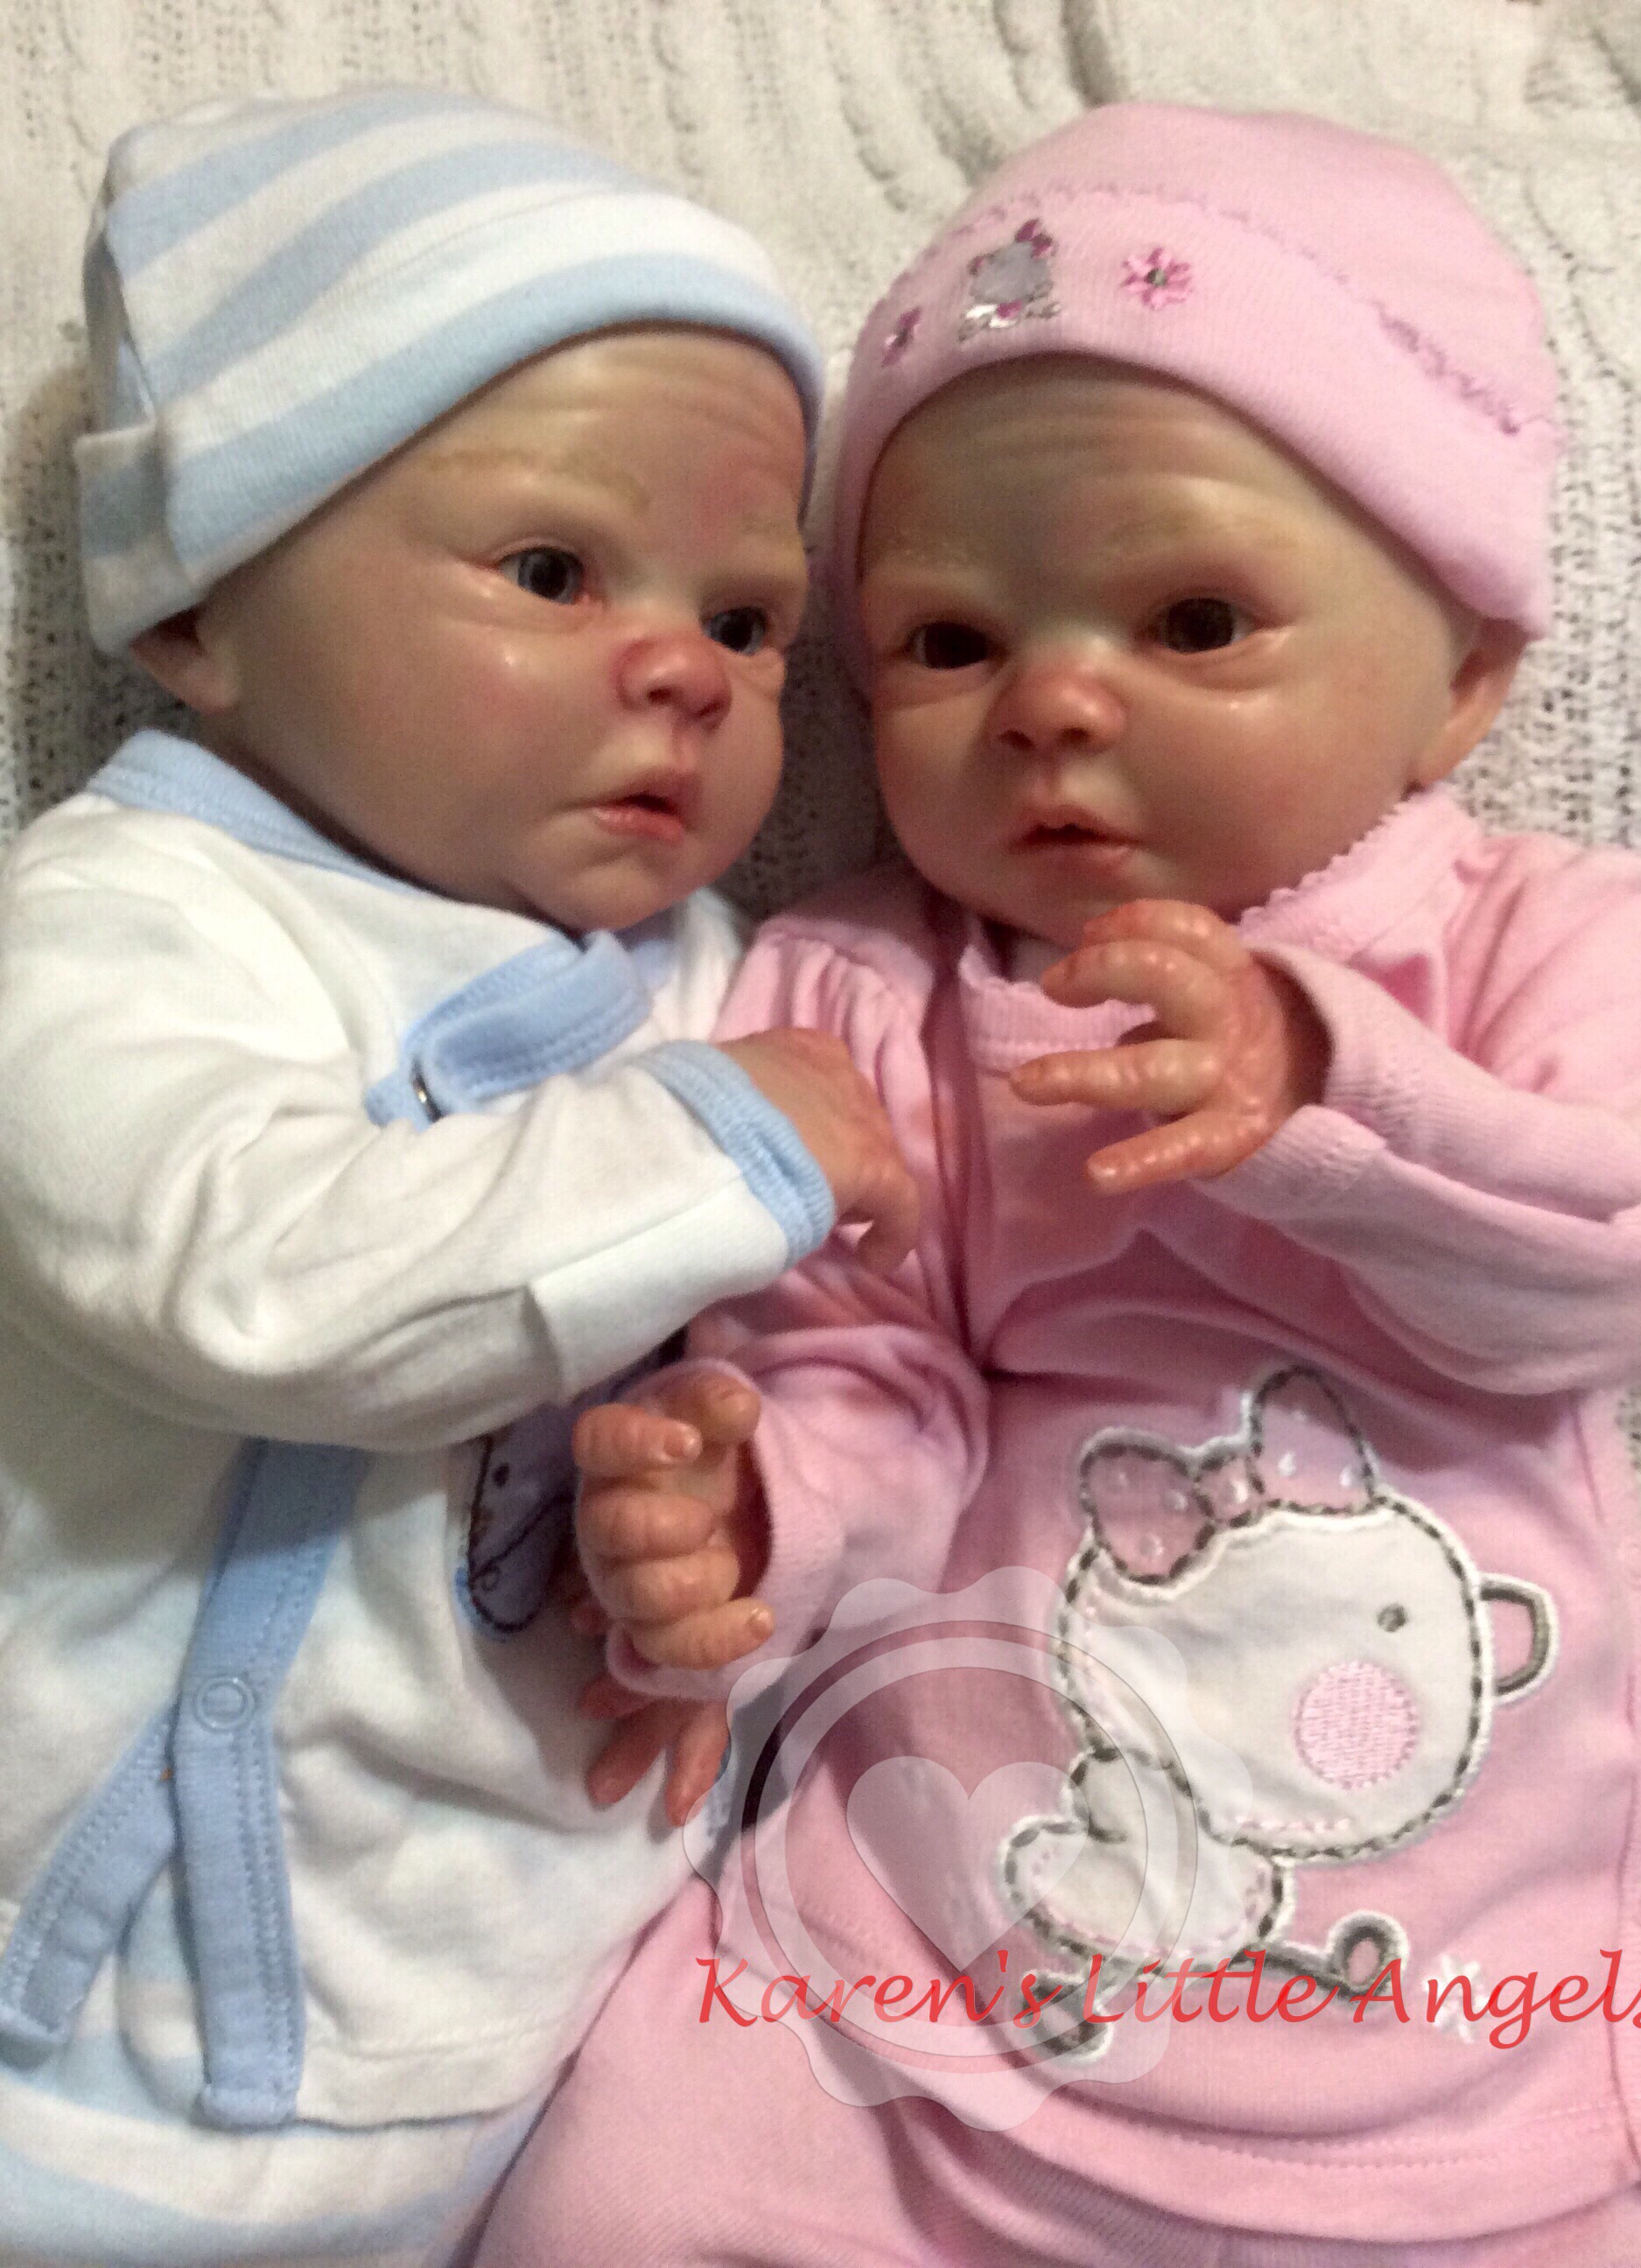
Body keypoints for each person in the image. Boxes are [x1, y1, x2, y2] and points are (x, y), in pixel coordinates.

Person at [481, 105, 1641, 2263]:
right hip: (921, 1967)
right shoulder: (859, 989)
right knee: (627, 2175)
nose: (1048, 700)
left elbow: (1632, 1256)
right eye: (947, 645)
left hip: (1485, 2018)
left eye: (1191, 618)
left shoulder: (1538, 938)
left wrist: (1335, 1094)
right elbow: (865, 1373)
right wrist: (763, 1507)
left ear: (1460, 681)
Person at [0, 85, 919, 2267]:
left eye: (751, 619)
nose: (682, 668)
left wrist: (739, 1527)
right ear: (200, 610)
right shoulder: (124, 928)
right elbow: (244, 1282)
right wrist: (714, 1144)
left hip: (485, 2037)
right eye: (550, 572)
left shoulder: (719, 995)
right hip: (75, 2033)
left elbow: (840, 1374)